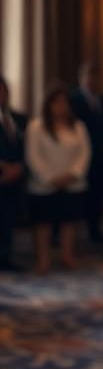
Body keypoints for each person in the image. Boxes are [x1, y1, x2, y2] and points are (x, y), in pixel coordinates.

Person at [25, 85, 91, 272]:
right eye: (57, 102)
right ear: (49, 104)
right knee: (43, 223)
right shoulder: (36, 126)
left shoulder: (78, 126)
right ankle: (43, 259)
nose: (61, 106)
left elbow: (85, 153)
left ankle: (67, 255)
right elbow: (33, 156)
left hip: (73, 183)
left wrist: (72, 174)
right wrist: (50, 178)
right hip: (44, 184)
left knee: (69, 221)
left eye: (65, 103)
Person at [70, 61, 103, 244]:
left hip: (102, 157)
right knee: (79, 197)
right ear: (81, 78)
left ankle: (94, 230)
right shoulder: (74, 100)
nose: (91, 80)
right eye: (87, 76)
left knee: (98, 195)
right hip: (80, 156)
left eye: (94, 76)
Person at [0, 77, 27, 271]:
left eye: (4, 91)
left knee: (8, 219)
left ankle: (6, 256)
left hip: (16, 176)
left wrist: (20, 166)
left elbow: (29, 147)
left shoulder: (20, 119)